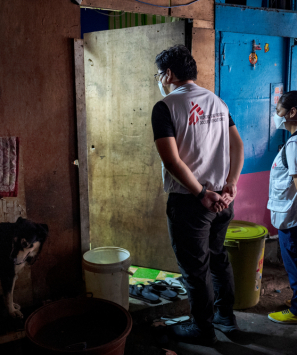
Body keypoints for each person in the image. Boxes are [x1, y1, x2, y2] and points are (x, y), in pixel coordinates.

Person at [151, 44, 244, 344]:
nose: (160, 78)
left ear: (169, 74)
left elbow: (172, 161)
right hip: (223, 199)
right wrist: (232, 183)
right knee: (218, 259)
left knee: (195, 269)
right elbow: (238, 145)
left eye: (160, 74)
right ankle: (225, 318)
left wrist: (202, 193)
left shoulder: (165, 106)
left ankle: (202, 329)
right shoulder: (217, 101)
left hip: (192, 202)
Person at [267, 91, 297, 324]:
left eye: (278, 110)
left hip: (292, 218)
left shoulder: (294, 145)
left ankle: (296, 311)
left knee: (294, 266)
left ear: (292, 112)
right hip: (290, 216)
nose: (276, 115)